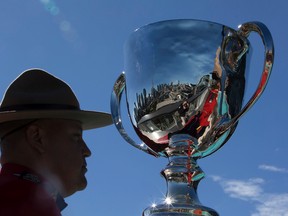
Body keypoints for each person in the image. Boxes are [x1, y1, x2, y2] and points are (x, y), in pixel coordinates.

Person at [0, 69, 112, 216]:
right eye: (76, 136)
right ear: (37, 137)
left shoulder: (19, 198)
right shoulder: (29, 206)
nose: (87, 151)